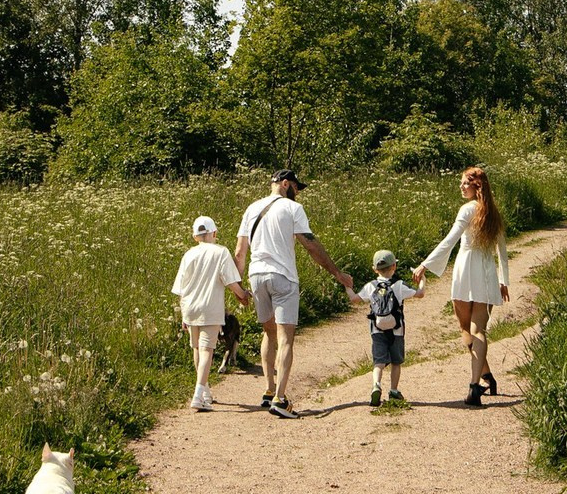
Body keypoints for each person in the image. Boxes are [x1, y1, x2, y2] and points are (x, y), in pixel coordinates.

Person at [235, 170, 356, 419]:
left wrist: (237, 286)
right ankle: (280, 400)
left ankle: (269, 390)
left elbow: (239, 252)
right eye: (296, 187)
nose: (298, 192)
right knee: (285, 338)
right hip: (283, 277)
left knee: (268, 332)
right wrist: (337, 273)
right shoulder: (292, 208)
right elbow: (310, 244)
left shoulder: (251, 209)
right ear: (285, 184)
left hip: (257, 277)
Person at [412, 166, 509, 406]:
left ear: (477, 186)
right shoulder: (493, 212)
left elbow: (450, 239)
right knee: (476, 330)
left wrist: (425, 264)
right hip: (486, 273)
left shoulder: (468, 209)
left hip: (466, 270)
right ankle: (484, 377)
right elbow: (502, 251)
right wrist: (503, 281)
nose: (461, 187)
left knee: (468, 330)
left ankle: (476, 385)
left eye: (465, 183)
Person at [171, 215, 251, 412]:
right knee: (207, 350)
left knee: (197, 349)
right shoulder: (221, 252)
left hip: (190, 307)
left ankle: (205, 392)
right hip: (210, 307)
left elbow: (181, 287)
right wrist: (243, 294)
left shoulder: (188, 254)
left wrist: (183, 314)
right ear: (214, 233)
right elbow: (230, 280)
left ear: (195, 236)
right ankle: (198, 394)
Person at [352, 248, 424, 406]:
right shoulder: (399, 285)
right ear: (394, 266)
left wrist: (347, 286)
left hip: (377, 330)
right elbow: (420, 294)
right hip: (397, 330)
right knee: (396, 362)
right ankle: (393, 390)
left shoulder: (370, 286)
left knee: (379, 362)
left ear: (374, 269)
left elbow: (354, 299)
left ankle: (376, 385)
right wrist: (422, 280)